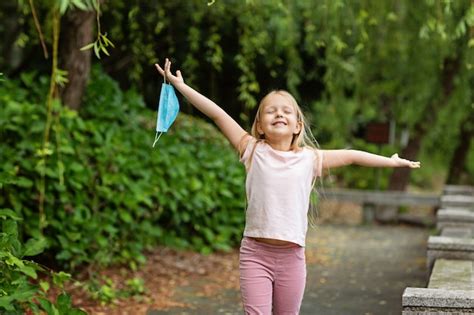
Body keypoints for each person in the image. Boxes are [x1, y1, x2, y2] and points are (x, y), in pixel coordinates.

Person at [155, 58, 420, 315]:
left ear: (297, 125)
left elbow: (353, 155)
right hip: (255, 254)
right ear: (259, 125)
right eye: (270, 110)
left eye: (286, 111)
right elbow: (217, 114)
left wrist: (391, 161)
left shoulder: (310, 159)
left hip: (292, 258)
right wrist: (180, 86)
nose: (279, 113)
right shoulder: (251, 149)